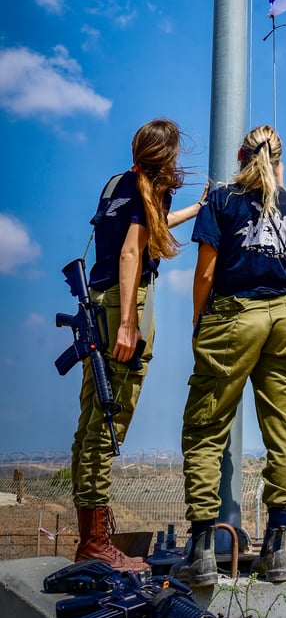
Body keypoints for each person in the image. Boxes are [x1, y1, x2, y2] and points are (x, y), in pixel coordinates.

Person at [71, 118, 205, 572]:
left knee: (91, 418)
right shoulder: (154, 186)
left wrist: (193, 210)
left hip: (99, 299)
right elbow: (133, 252)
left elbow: (145, 229)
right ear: (167, 159)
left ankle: (91, 535)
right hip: (123, 303)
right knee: (109, 421)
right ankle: (95, 542)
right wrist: (129, 322)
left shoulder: (119, 183)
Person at [172, 125, 286, 587]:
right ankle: (277, 549)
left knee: (207, 426)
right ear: (278, 160)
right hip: (283, 319)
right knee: (282, 432)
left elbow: (206, 271)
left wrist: (197, 323)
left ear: (241, 155)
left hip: (235, 316)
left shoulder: (224, 197)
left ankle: (202, 550)